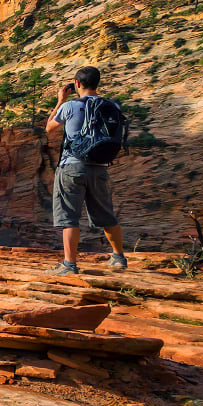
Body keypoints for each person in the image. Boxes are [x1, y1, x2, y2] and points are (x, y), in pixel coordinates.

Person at [44, 66, 127, 275]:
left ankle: (69, 265)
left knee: (69, 217)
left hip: (72, 166)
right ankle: (118, 257)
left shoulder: (70, 106)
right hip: (100, 166)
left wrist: (60, 100)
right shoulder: (112, 106)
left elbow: (49, 128)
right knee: (107, 214)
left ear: (77, 84)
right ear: (97, 83)